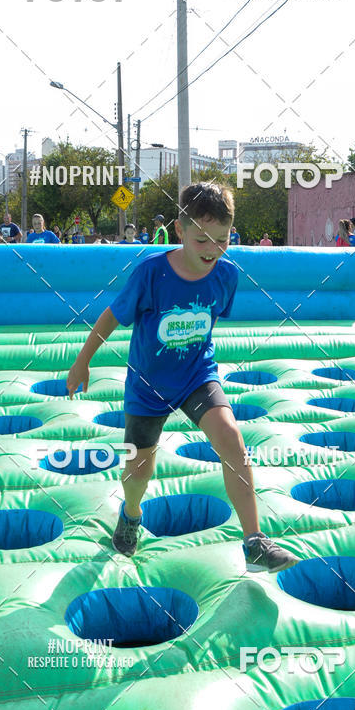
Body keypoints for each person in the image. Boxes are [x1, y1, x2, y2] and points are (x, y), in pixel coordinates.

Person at [66, 181, 299, 573]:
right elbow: (112, 315)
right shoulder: (150, 274)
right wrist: (82, 361)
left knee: (232, 440)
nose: (212, 250)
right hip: (148, 386)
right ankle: (132, 513)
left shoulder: (226, 276)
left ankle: (255, 541)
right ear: (180, 230)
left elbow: (207, 322)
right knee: (139, 470)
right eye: (202, 240)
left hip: (196, 376)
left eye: (222, 240)